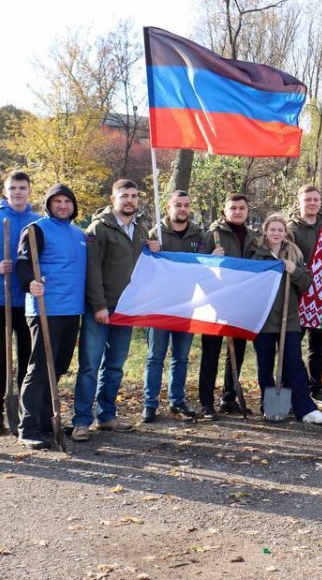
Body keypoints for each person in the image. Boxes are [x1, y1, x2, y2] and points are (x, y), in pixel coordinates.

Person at [72, 179, 159, 439]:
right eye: (124, 196)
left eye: (134, 196)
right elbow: (92, 269)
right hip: (101, 307)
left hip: (127, 309)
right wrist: (98, 305)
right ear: (114, 199)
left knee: (115, 366)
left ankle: (106, 416)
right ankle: (80, 420)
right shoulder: (99, 228)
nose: (130, 200)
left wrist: (150, 247)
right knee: (90, 366)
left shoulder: (141, 229)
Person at [14, 184, 87, 449]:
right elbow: (23, 262)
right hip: (46, 309)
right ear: (48, 204)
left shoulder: (79, 233)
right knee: (39, 368)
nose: (63, 205)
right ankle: (28, 426)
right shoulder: (36, 230)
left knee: (59, 367)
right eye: (57, 201)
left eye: (68, 201)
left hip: (72, 310)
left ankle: (46, 420)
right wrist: (29, 283)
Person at [251, 213, 322, 425]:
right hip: (265, 321)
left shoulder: (294, 254)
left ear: (285, 232)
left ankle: (305, 408)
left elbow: (306, 283)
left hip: (289, 320)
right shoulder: (256, 255)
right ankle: (269, 405)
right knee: (265, 366)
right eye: (272, 229)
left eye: (280, 230)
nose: (276, 233)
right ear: (265, 231)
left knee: (293, 364)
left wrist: (294, 271)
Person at [0, 170, 39, 436]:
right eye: (12, 188)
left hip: (26, 299)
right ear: (5, 191)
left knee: (27, 357)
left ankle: (24, 410)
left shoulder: (38, 221)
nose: (17, 192)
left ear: (29, 191)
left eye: (22, 188)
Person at [141, 190, 209, 423]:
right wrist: (151, 250)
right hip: (159, 305)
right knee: (155, 356)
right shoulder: (155, 234)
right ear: (168, 207)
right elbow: (143, 269)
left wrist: (214, 257)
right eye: (178, 205)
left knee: (180, 356)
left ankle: (176, 400)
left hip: (187, 304)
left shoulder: (199, 235)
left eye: (186, 205)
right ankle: (150, 403)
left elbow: (204, 267)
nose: (182, 209)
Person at [198, 193, 255, 418]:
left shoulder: (252, 236)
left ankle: (229, 397)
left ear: (247, 211)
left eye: (242, 208)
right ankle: (206, 403)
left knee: (237, 353)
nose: (238, 211)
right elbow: (198, 265)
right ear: (225, 210)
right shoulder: (213, 234)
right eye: (233, 208)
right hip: (216, 303)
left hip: (241, 303)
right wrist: (211, 256)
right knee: (210, 354)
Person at [288, 184, 322, 400]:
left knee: (317, 346)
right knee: (293, 345)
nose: (312, 203)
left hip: (321, 296)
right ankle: (290, 387)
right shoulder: (290, 229)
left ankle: (315, 388)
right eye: (308, 200)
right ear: (300, 202)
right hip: (295, 295)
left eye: (316, 199)